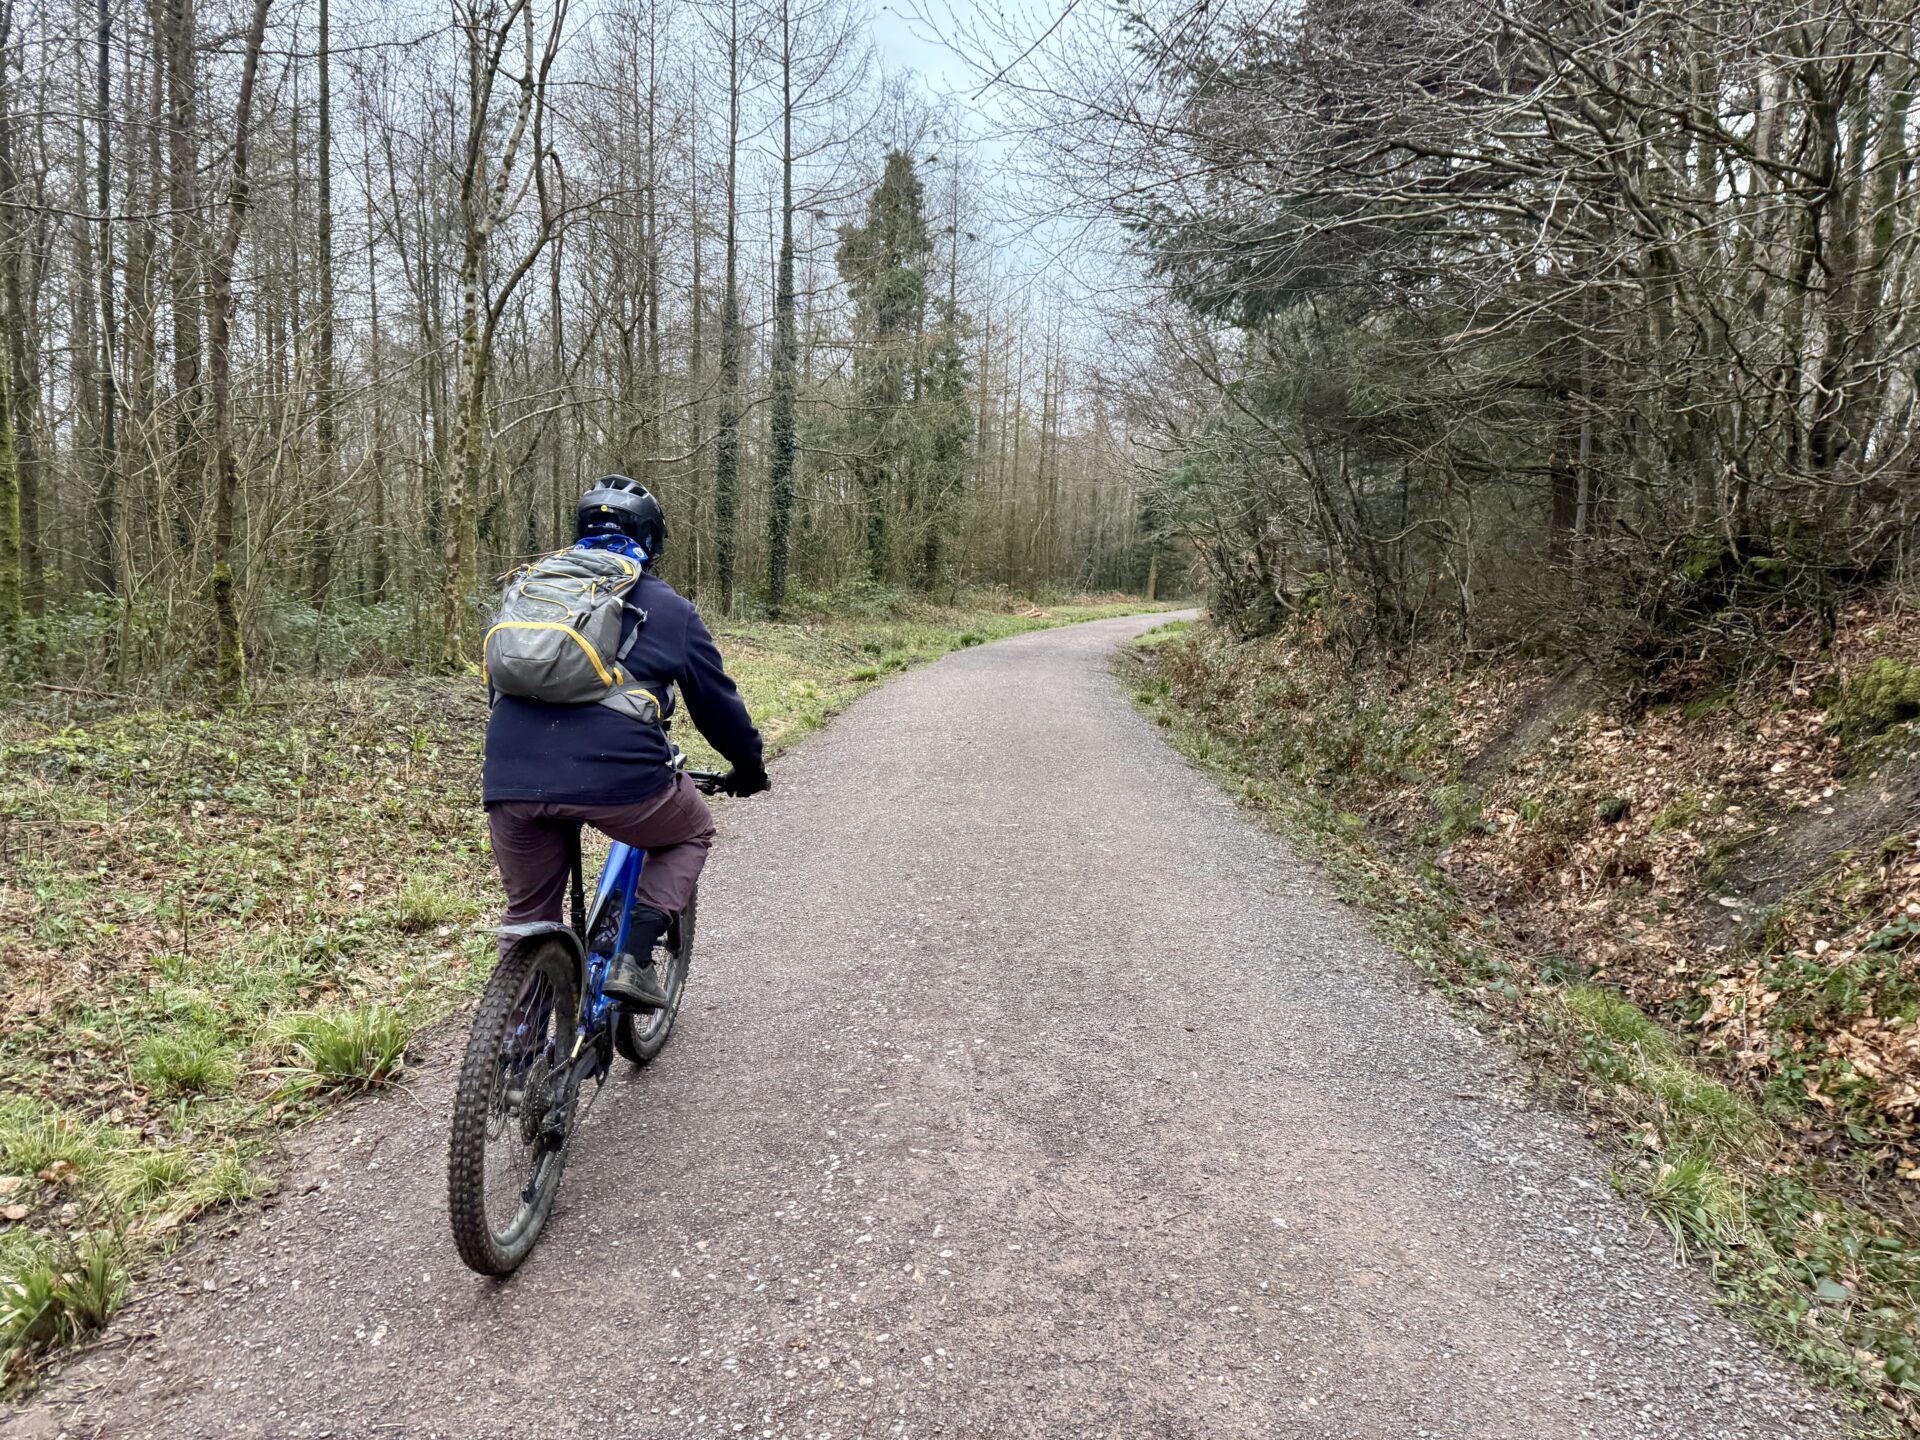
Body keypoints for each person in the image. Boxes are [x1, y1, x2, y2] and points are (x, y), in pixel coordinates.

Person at [482, 474, 769, 1009]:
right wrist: (747, 766)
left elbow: (500, 687)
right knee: (690, 833)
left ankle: (513, 1049)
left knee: (528, 917)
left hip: (510, 777)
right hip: (619, 778)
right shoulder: (669, 607)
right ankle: (634, 959)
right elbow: (715, 704)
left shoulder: (529, 596)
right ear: (652, 540)